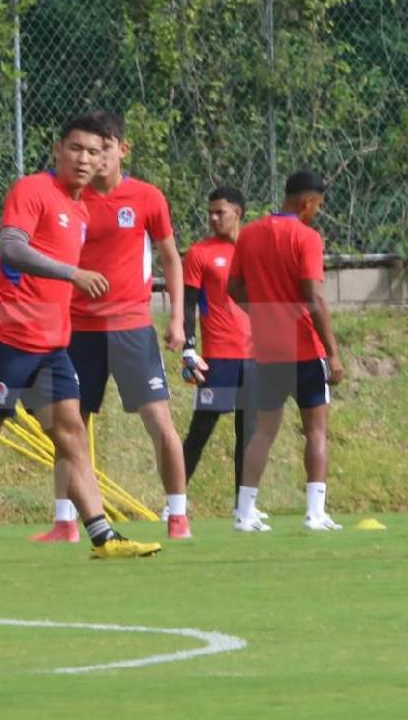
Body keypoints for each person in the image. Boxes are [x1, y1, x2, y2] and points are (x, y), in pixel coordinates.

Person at [0, 115, 161, 560]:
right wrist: (73, 273)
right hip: (3, 337)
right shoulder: (32, 190)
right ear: (58, 150)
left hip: (51, 345)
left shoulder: (81, 208)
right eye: (76, 148)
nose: (84, 159)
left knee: (71, 432)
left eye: (94, 152)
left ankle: (103, 538)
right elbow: (13, 248)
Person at [31, 111, 191, 543]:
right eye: (88, 150)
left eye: (104, 149)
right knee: (71, 425)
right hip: (77, 329)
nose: (96, 158)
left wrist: (177, 318)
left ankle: (178, 515)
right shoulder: (69, 199)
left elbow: (172, 259)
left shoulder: (146, 198)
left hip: (131, 326)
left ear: (122, 150)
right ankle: (66, 522)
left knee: (158, 419)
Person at [227, 170, 344, 533]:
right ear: (307, 202)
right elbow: (314, 295)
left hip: (267, 349)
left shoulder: (250, 234)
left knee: (262, 432)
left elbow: (234, 288)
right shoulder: (306, 237)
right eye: (318, 206)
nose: (317, 213)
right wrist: (333, 352)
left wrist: (263, 312)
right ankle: (315, 513)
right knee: (316, 431)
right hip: (305, 348)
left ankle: (245, 512)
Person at [178, 185, 261, 515]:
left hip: (254, 356)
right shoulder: (199, 253)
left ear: (237, 213)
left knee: (249, 433)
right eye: (210, 212)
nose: (213, 218)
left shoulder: (257, 251)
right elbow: (187, 306)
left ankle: (245, 507)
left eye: (220, 212)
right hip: (218, 355)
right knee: (201, 429)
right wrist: (188, 347)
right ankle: (174, 502)